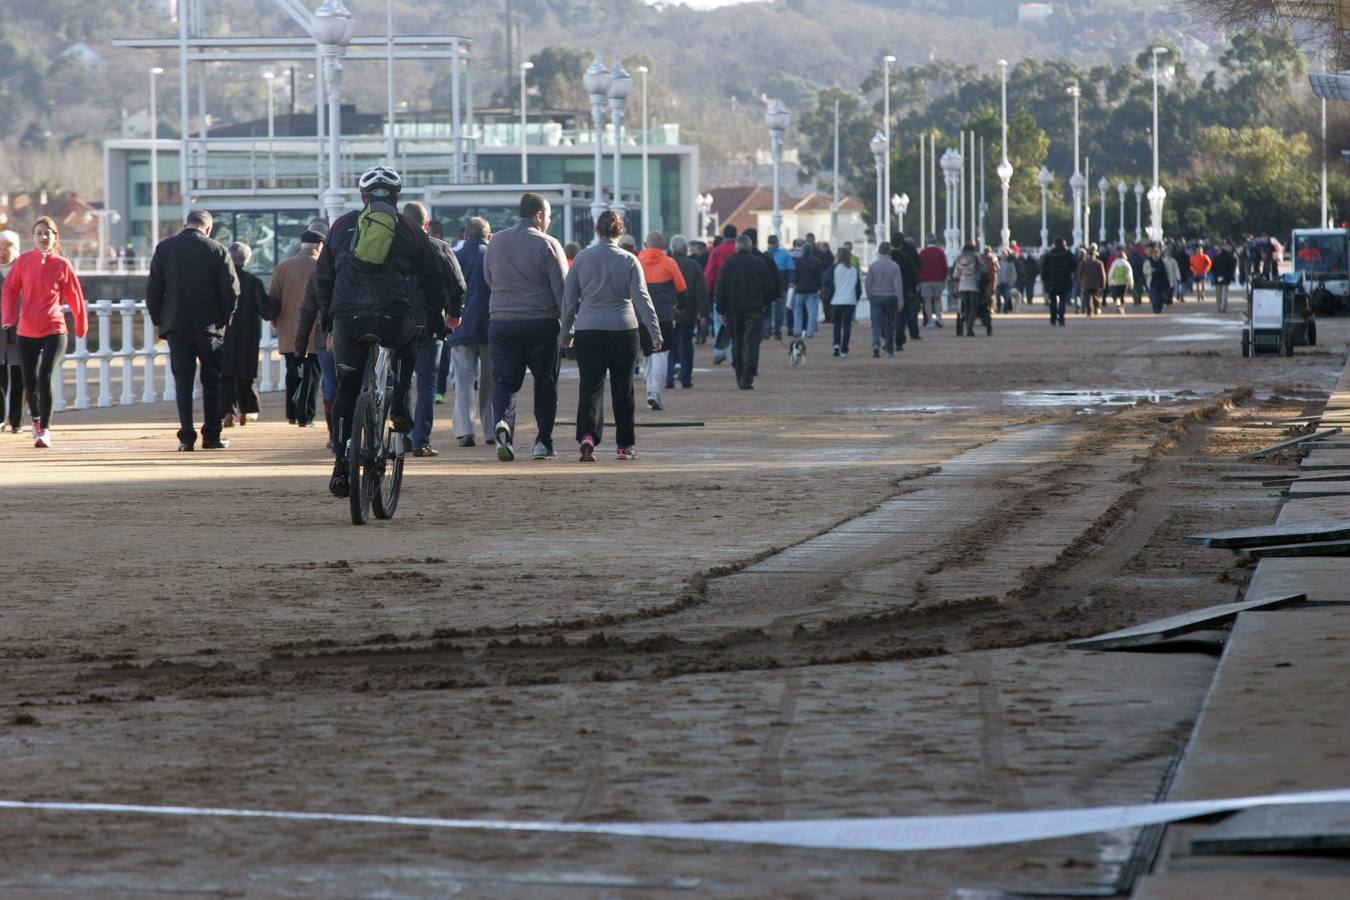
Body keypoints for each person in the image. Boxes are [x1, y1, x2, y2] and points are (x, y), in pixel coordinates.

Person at [315, 165, 447, 497]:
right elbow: (433, 278)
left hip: (348, 317)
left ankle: (341, 464)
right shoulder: (409, 229)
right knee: (408, 346)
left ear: (363, 197)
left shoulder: (342, 225)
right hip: (391, 314)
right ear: (397, 197)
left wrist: (329, 317)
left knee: (347, 386)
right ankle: (400, 404)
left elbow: (322, 277)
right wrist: (433, 319)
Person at [561, 211, 662, 461]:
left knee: (590, 386)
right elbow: (642, 298)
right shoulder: (629, 260)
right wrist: (654, 332)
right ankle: (624, 446)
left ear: (597, 231)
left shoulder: (582, 258)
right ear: (621, 232)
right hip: (623, 329)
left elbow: (569, 300)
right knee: (623, 389)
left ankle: (587, 435)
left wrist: (566, 331)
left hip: (588, 329)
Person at [483, 191, 569, 462]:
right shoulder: (549, 244)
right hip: (541, 324)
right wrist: (568, 327)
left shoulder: (495, 242)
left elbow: (489, 279)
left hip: (502, 323)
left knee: (505, 382)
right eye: (549, 217)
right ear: (539, 215)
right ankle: (543, 442)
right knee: (545, 383)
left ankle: (504, 425)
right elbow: (562, 291)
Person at [145, 210, 238, 451]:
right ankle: (211, 435)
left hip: (176, 326)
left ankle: (186, 437)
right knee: (212, 382)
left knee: (183, 382)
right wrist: (224, 319)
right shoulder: (217, 250)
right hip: (209, 328)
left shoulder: (165, 249)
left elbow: (153, 289)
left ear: (185, 225)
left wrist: (160, 320)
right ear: (208, 229)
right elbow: (231, 290)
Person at [1, 218, 88, 448]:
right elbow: (9, 290)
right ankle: (36, 422)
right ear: (33, 237)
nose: (43, 237)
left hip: (55, 329)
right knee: (30, 382)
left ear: (54, 237)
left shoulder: (62, 264)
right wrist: (9, 317)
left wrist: (80, 323)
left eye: (47, 233)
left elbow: (75, 295)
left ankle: (44, 430)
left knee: (45, 376)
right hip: (27, 330)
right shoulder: (23, 263)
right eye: (39, 233)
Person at [399, 201, 466, 458]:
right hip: (430, 324)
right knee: (426, 384)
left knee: (400, 381)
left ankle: (400, 436)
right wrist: (454, 315)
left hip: (397, 325)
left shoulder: (392, 249)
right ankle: (420, 440)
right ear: (426, 224)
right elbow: (458, 285)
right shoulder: (439, 248)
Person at [220, 242, 280, 427]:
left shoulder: (220, 280)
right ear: (247, 260)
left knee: (225, 374)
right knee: (246, 374)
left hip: (222, 333)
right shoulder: (253, 282)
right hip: (247, 335)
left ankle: (227, 411)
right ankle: (247, 410)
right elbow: (266, 310)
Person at [447, 216, 494, 447]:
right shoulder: (494, 256)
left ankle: (466, 430)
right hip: (491, 328)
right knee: (490, 383)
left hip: (461, 328)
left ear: (466, 235)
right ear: (489, 235)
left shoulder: (456, 256)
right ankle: (491, 430)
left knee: (464, 383)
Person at [269, 230, 323, 427]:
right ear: (319, 246)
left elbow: (273, 300)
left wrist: (278, 324)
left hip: (288, 331)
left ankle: (291, 412)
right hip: (315, 331)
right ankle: (306, 415)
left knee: (293, 372)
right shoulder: (322, 267)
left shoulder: (282, 267)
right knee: (313, 374)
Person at [715, 235, 775, 389]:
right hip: (754, 309)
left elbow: (721, 288)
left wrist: (721, 310)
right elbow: (768, 288)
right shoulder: (760, 264)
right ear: (750, 247)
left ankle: (739, 373)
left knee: (737, 342)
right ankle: (748, 375)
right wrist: (765, 304)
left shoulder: (729, 264)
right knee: (752, 342)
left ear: (736, 247)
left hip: (733, 310)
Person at [637, 230, 686, 411]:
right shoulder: (669, 263)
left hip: (641, 315)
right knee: (662, 353)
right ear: (664, 245)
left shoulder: (636, 262)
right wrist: (680, 307)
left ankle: (650, 389)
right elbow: (682, 290)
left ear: (645, 244)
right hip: (664, 315)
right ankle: (655, 391)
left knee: (648, 354)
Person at [668, 234, 709, 389]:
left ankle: (669, 377)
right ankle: (685, 378)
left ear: (672, 249)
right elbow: (701, 291)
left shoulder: (666, 263)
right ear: (686, 249)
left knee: (669, 345)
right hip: (688, 311)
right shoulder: (693, 265)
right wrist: (704, 313)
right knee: (687, 343)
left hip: (669, 312)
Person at [704, 225, 738, 365]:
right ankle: (734, 355)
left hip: (720, 291)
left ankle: (721, 350)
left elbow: (710, 272)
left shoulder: (717, 251)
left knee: (720, 323)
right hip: (738, 292)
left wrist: (707, 290)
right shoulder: (740, 249)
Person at [0, 230, 23, 433]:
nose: (3, 252)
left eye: (8, 247)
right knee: (0, 378)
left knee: (19, 377)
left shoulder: (24, 269)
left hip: (20, 329)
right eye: (0, 248)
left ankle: (16, 421)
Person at [865, 243, 905, 356]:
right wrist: (900, 301)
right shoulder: (894, 266)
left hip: (876, 297)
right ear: (889, 252)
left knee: (876, 323)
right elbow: (898, 286)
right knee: (890, 324)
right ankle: (889, 349)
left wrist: (869, 296)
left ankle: (876, 344)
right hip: (890, 297)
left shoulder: (873, 266)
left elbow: (868, 283)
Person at [829, 246, 861, 357]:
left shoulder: (835, 268)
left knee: (837, 324)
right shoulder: (853, 269)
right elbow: (858, 287)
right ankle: (844, 349)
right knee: (847, 325)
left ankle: (836, 344)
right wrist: (856, 298)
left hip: (837, 299)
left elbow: (826, 280)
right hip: (850, 300)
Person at [764, 234, 796, 340]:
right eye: (771, 242)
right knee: (767, 309)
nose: (772, 245)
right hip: (767, 285)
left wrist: (791, 281)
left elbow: (791, 268)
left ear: (777, 242)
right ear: (768, 243)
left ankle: (777, 331)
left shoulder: (784, 254)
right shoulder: (764, 255)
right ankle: (767, 330)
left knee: (780, 310)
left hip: (781, 284)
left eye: (774, 242)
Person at [792, 239, 826, 339]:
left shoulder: (797, 261)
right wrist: (819, 287)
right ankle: (810, 332)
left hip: (800, 289)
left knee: (797, 311)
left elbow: (795, 275)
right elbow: (821, 277)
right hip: (812, 290)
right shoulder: (817, 262)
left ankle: (797, 330)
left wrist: (794, 283)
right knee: (812, 312)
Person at [1039, 238, 1075, 327]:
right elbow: (1074, 265)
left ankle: (1053, 319)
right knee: (1063, 301)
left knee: (1053, 302)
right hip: (1064, 281)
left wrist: (1044, 280)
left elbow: (1044, 269)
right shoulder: (1068, 254)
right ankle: (1061, 319)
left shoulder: (1049, 255)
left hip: (1051, 282)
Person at [951, 243, 983, 338]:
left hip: (963, 284)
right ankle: (970, 326)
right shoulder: (976, 258)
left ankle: (967, 323)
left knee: (966, 306)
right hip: (974, 284)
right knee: (974, 306)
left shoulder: (959, 259)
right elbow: (982, 270)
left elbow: (955, 275)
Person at [893, 236, 922, 341]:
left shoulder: (890, 256)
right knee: (910, 313)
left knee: (895, 314)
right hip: (906, 287)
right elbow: (914, 272)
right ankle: (912, 333)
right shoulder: (909, 255)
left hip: (891, 288)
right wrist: (914, 288)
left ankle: (896, 336)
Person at [917, 235, 947, 328]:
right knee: (937, 299)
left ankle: (930, 321)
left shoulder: (922, 253)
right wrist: (943, 277)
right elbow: (944, 266)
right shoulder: (940, 252)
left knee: (927, 301)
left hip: (925, 280)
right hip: (938, 279)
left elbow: (919, 267)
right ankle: (939, 318)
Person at [1076, 245, 1106, 316]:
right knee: (1096, 297)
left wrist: (1080, 283)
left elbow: (1079, 274)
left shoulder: (1083, 263)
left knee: (1087, 298)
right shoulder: (1099, 263)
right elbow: (1102, 275)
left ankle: (1089, 311)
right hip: (1096, 284)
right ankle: (1096, 309)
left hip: (1086, 283)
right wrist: (1103, 284)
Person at [1144, 246, 1170, 314]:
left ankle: (1159, 309)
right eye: (1154, 253)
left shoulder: (1163, 261)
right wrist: (1150, 270)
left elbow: (1168, 271)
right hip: (1152, 282)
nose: (1156, 254)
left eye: (1157, 253)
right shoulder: (1148, 261)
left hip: (1162, 282)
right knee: (1154, 297)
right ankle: (1155, 309)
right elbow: (1144, 271)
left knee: (1161, 297)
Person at [1106, 248, 1134, 314]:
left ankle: (1118, 305)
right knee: (1122, 296)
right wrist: (1131, 283)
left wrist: (1110, 282)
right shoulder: (1127, 264)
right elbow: (1130, 275)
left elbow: (1111, 273)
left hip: (1116, 282)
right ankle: (1122, 308)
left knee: (1117, 296)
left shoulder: (1115, 263)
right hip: (1124, 283)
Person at [1212, 242, 1237, 313]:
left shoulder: (1216, 258)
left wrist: (1216, 275)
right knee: (1224, 294)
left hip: (1217, 277)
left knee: (1218, 294)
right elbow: (1232, 269)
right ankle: (1223, 307)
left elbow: (1213, 268)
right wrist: (1226, 276)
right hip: (1226, 278)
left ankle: (1219, 307)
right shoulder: (1230, 258)